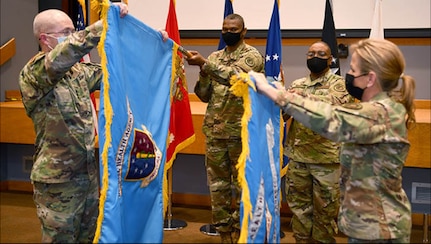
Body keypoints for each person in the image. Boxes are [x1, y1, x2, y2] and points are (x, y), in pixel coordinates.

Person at [18, 4, 168, 243]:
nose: (72, 35)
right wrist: (104, 24)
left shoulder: (78, 73)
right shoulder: (35, 72)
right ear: (45, 39)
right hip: (57, 182)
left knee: (89, 237)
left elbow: (118, 71)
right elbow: (64, 55)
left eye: (72, 31)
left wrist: (152, 45)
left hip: (87, 176)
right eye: (66, 32)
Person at [250, 38, 415, 243]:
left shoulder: (381, 113)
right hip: (366, 224)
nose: (349, 75)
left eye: (353, 70)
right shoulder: (376, 108)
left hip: (380, 228)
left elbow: (331, 118)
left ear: (370, 79)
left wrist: (272, 91)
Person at [185, 13, 265, 243]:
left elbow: (238, 77)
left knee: (243, 188)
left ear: (243, 31)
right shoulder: (215, 56)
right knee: (218, 187)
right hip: (215, 132)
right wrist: (203, 72)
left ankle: (242, 233)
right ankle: (223, 234)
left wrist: (205, 64)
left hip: (241, 133)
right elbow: (203, 95)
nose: (228, 32)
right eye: (225, 28)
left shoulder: (251, 56)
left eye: (233, 29)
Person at [282, 41, 353, 243]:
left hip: (326, 160)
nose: (315, 57)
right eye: (311, 53)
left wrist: (303, 96)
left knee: (325, 212)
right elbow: (284, 115)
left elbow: (336, 105)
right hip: (298, 158)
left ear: (331, 60)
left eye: (321, 54)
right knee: (299, 211)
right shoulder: (297, 84)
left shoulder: (339, 84)